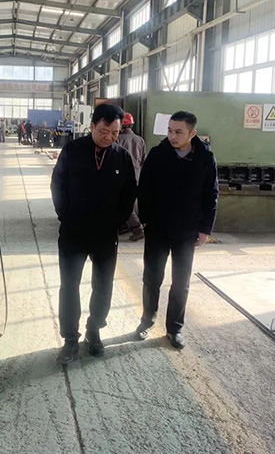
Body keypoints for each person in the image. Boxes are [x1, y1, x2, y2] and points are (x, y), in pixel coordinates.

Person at [51, 104, 137, 365]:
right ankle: (70, 339)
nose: (109, 137)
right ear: (92, 126)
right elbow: (57, 185)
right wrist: (66, 215)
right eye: (103, 131)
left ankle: (94, 329)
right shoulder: (72, 151)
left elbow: (129, 193)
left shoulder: (122, 157)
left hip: (105, 235)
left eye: (115, 133)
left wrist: (117, 222)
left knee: (103, 284)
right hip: (73, 233)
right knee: (69, 285)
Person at [135, 111, 218, 349]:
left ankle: (175, 328)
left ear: (192, 133)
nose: (172, 136)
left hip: (187, 231)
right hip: (158, 228)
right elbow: (144, 188)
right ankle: (147, 321)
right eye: (170, 131)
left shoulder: (205, 157)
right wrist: (146, 220)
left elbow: (211, 194)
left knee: (181, 282)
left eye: (178, 132)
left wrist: (205, 229)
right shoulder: (158, 154)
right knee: (152, 278)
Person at [116, 112, 146, 241]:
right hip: (137, 175)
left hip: (122, 176)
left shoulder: (118, 140)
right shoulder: (140, 140)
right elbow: (144, 160)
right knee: (131, 202)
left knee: (124, 203)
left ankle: (137, 228)